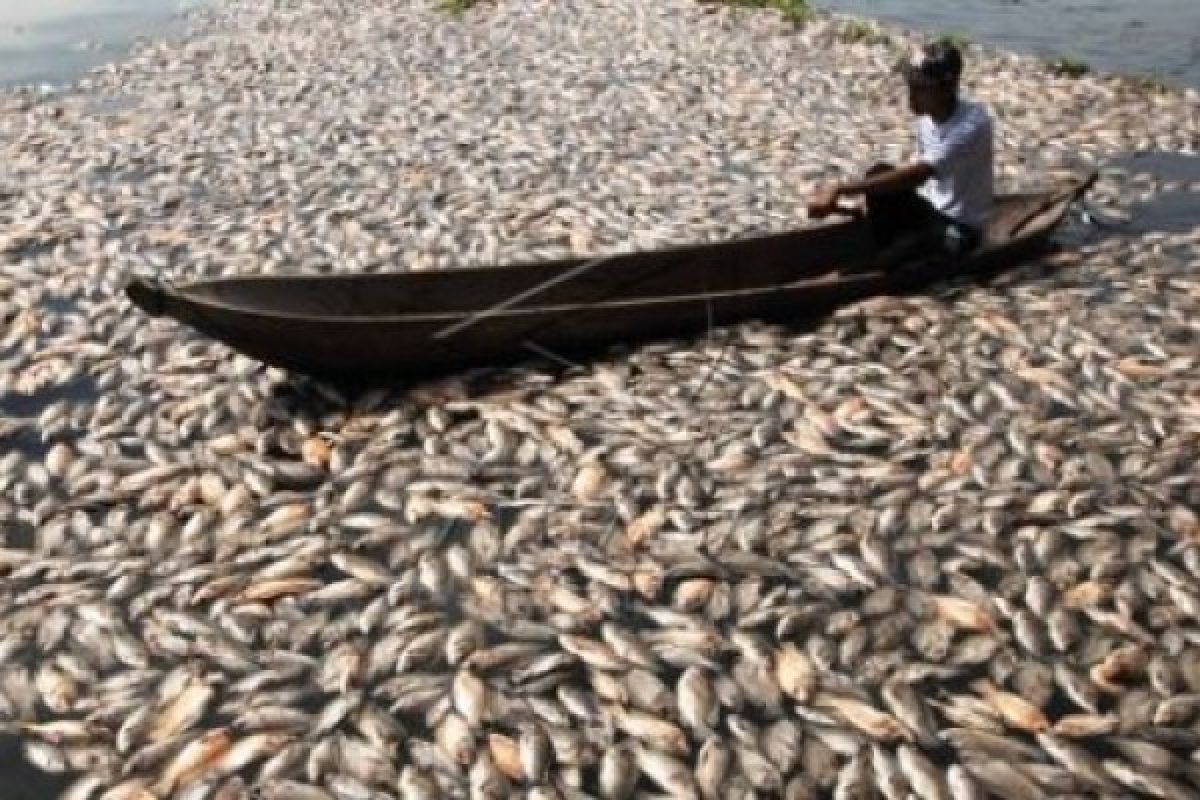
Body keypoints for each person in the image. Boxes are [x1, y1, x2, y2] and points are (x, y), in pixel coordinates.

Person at [807, 40, 994, 268]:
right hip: (929, 212)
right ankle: (894, 248)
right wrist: (864, 205)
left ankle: (890, 258)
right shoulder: (927, 118)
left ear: (947, 89)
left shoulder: (972, 123)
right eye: (911, 87)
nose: (911, 96)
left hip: (959, 229)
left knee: (891, 259)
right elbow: (922, 182)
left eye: (921, 89)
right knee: (879, 172)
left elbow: (921, 174)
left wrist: (843, 189)